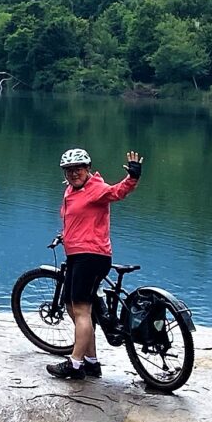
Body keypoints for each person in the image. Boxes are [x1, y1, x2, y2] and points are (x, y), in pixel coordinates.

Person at [46, 147, 143, 380]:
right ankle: (91, 362)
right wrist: (64, 235)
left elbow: (118, 192)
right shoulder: (70, 191)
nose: (73, 173)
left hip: (92, 256)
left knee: (81, 310)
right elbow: (76, 219)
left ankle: (75, 365)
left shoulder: (96, 188)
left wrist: (133, 176)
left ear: (87, 168)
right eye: (68, 170)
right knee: (74, 308)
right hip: (76, 255)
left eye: (77, 169)